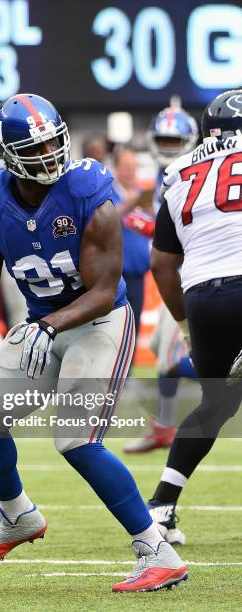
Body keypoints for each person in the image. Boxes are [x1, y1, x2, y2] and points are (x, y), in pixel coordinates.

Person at [0, 93, 188, 593]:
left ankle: (157, 551)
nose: (50, 156)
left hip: (99, 321)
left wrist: (50, 326)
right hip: (43, 324)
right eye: (36, 148)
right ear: (6, 155)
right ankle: (18, 516)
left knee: (75, 438)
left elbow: (105, 290)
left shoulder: (88, 188)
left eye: (52, 142)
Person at [148, 89, 242, 544]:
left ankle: (161, 507)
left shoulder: (179, 173)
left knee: (217, 404)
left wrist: (185, 323)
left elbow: (163, 264)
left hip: (205, 294)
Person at [124, 106, 199, 454]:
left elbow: (192, 226)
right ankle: (164, 427)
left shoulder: (191, 172)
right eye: (163, 140)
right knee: (159, 353)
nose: (169, 147)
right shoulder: (161, 174)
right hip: (183, 274)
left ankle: (164, 426)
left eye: (174, 140)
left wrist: (153, 227)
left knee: (172, 360)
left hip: (197, 272)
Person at [113, 148, 151, 338]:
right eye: (126, 167)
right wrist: (130, 203)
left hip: (139, 274)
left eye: (133, 167)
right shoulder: (108, 192)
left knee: (134, 329)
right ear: (116, 168)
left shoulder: (142, 193)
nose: (130, 172)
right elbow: (107, 220)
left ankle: (131, 369)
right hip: (116, 276)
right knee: (117, 331)